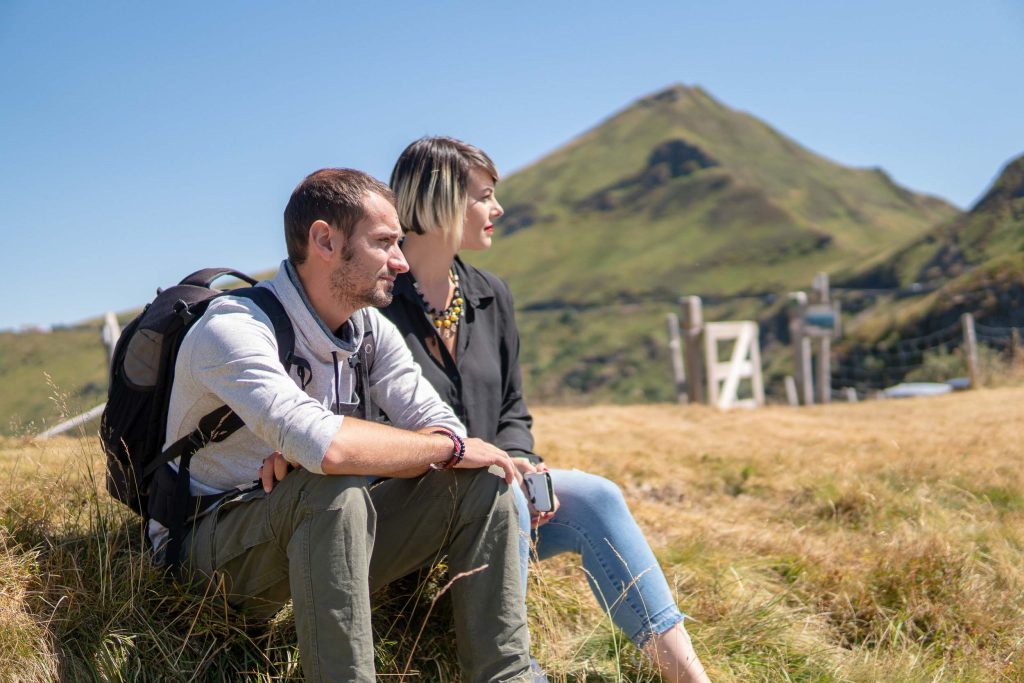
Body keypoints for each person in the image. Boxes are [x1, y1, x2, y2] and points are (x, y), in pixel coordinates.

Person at [155, 168, 532, 682]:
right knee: (330, 488)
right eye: (383, 243)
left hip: (324, 539)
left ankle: (507, 677)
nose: (400, 262)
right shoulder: (232, 329)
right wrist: (347, 450)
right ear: (324, 240)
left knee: (481, 481)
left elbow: (442, 427)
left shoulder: (370, 329)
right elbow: (331, 451)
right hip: (210, 551)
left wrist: (397, 447)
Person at [383, 137, 712, 683]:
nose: (498, 210)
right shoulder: (377, 302)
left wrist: (519, 460)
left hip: (502, 489)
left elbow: (512, 405)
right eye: (484, 196)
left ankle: (688, 677)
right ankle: (509, 671)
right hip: (416, 508)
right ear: (440, 201)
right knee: (502, 493)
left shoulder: (491, 294)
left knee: (596, 495)